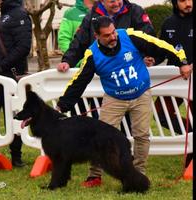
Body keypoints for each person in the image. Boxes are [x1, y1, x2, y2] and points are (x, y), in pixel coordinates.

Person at [56, 16, 192, 187]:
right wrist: (62, 105)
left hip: (141, 93)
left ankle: (139, 173)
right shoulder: (92, 54)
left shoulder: (130, 36)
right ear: (97, 36)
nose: (113, 37)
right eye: (107, 35)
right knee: (101, 137)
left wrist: (183, 62)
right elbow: (79, 81)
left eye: (113, 32)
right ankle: (94, 176)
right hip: (114, 98)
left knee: (142, 135)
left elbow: (161, 46)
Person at [57, 0, 155, 72]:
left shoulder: (135, 11)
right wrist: (67, 61)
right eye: (112, 1)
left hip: (130, 69)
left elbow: (148, 37)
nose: (116, 4)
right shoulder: (91, 15)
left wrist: (147, 57)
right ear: (102, 1)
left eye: (119, 0)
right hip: (100, 70)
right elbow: (79, 42)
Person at [154, 0, 193, 167]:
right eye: (183, 0)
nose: (189, 3)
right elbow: (162, 53)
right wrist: (151, 60)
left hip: (191, 78)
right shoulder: (168, 23)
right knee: (160, 115)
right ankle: (191, 135)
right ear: (175, 2)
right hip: (175, 80)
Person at [0, 0, 32, 167]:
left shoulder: (19, 14)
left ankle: (16, 157)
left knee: (14, 114)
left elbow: (24, 46)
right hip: (0, 76)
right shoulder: (4, 16)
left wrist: (3, 65)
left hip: (9, 75)